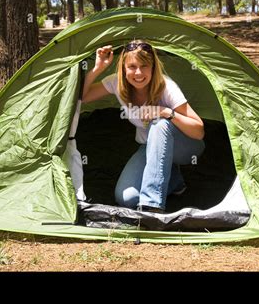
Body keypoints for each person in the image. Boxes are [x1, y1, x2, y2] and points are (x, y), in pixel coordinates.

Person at [82, 40, 205, 213]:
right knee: (127, 199)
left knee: (159, 123)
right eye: (132, 66)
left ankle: (152, 206)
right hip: (150, 146)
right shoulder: (116, 83)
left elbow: (199, 131)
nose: (138, 73)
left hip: (186, 147)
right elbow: (83, 96)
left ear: (153, 67)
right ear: (123, 68)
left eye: (144, 66)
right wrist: (98, 68)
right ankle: (175, 180)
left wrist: (165, 112)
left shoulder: (166, 86)